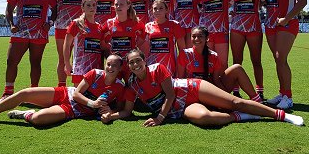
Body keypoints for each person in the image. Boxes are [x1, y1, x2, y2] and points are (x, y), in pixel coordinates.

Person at [101, 49, 304, 127]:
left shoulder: (158, 69)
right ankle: (240, 117)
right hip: (179, 109)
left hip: (191, 89)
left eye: (138, 61)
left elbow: (170, 95)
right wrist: (112, 115)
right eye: (132, 63)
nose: (136, 65)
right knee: (204, 118)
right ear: (128, 66)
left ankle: (281, 115)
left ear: (145, 61)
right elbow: (127, 110)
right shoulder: (132, 85)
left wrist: (159, 118)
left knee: (235, 101)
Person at [0, 55, 125, 126]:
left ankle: (24, 114)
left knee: (38, 120)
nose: (110, 67)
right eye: (108, 64)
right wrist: (93, 103)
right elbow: (76, 93)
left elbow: (120, 107)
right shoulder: (95, 73)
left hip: (73, 110)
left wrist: (109, 111)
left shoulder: (119, 86)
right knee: (24, 93)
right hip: (66, 93)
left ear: (119, 68)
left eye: (114, 65)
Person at [0, 0, 57, 105]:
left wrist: (50, 22)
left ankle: (33, 93)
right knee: (11, 61)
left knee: (35, 63)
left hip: (39, 33)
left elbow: (55, 10)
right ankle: (7, 93)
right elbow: (9, 9)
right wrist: (11, 24)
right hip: (21, 32)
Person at [262, 0, 307, 109]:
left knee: (281, 58)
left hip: (287, 24)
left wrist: (286, 18)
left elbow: (302, 1)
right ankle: (282, 93)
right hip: (270, 25)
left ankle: (288, 96)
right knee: (277, 59)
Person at [177, 26, 262, 102]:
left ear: (207, 38)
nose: (196, 39)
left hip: (212, 92)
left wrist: (225, 95)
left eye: (200, 36)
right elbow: (180, 79)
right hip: (193, 92)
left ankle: (257, 100)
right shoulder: (185, 54)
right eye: (194, 36)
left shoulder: (213, 55)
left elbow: (216, 80)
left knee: (237, 68)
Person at [48, 0, 94, 87]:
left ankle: (78, 88)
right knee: (63, 59)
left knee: (79, 59)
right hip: (62, 27)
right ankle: (61, 87)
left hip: (81, 27)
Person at [230, 0, 264, 99]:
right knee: (237, 61)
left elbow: (269, 2)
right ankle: (236, 90)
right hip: (237, 29)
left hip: (254, 29)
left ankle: (260, 91)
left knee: (256, 60)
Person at [197, 0, 237, 71]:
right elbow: (199, 8)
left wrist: (232, 4)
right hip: (207, 32)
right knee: (208, 62)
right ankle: (210, 86)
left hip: (221, 31)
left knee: (223, 62)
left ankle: (224, 87)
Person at [102, 0, 146, 81]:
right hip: (115, 64)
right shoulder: (109, 23)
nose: (118, 6)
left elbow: (142, 42)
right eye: (116, 4)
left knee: (131, 88)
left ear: (128, 6)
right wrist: (109, 57)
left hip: (131, 63)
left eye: (121, 4)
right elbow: (103, 43)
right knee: (115, 88)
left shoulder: (136, 22)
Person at [63, 0, 104, 86]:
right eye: (88, 5)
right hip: (80, 67)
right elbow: (67, 44)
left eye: (94, 5)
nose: (91, 8)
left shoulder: (100, 27)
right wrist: (67, 63)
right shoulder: (77, 23)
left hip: (95, 68)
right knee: (78, 96)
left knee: (92, 96)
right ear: (83, 8)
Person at [145, 0, 186, 75]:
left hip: (169, 65)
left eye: (161, 8)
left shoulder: (174, 25)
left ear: (166, 10)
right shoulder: (148, 26)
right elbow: (145, 49)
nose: (157, 11)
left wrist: (179, 68)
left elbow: (182, 49)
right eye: (155, 9)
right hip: (152, 64)